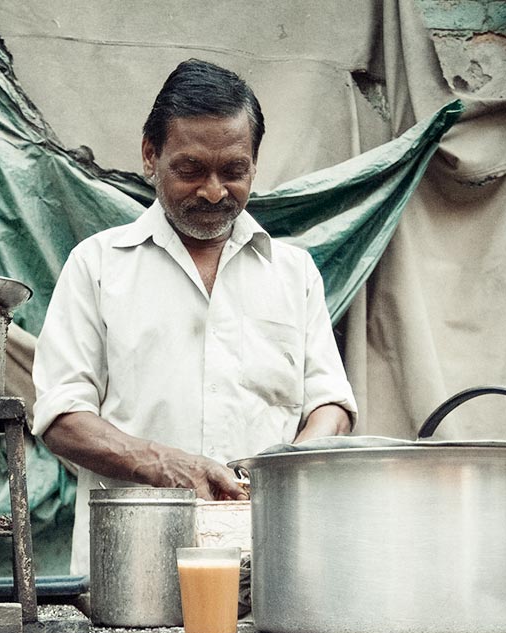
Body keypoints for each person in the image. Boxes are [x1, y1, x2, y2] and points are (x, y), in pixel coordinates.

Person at [32, 59, 358, 575]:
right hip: (131, 574)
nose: (212, 192)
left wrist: (280, 469)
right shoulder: (97, 266)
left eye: (234, 171)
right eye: (190, 170)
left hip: (269, 573)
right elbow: (62, 419)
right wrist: (168, 466)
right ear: (150, 155)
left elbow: (331, 407)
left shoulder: (293, 273)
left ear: (254, 163)